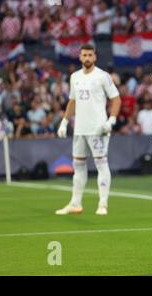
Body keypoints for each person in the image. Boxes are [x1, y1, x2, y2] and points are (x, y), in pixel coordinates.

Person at [56, 44, 121, 216]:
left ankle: (103, 204)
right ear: (79, 57)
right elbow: (72, 101)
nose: (87, 58)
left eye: (90, 55)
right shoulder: (74, 77)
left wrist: (111, 120)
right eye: (84, 55)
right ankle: (75, 203)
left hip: (98, 128)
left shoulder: (102, 76)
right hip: (79, 129)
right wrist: (64, 122)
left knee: (101, 164)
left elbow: (116, 99)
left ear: (95, 57)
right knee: (78, 165)